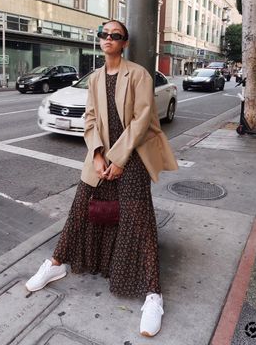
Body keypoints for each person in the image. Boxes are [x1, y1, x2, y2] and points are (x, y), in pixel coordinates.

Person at [25, 20, 178, 337]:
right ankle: (56, 263)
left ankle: (153, 294)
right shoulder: (95, 78)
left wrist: (119, 159)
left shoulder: (138, 74)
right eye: (104, 34)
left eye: (116, 36)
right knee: (80, 208)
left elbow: (141, 120)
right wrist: (97, 154)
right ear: (98, 40)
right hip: (100, 156)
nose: (108, 39)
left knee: (139, 218)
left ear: (124, 43)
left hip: (133, 156)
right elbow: (91, 118)